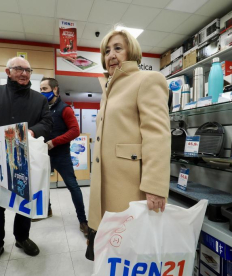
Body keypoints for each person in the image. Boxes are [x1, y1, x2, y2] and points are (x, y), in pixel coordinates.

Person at [0, 57, 52, 274]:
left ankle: (22, 238)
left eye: (28, 70)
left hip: (26, 161)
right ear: (8, 71)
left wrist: (32, 132)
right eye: (19, 69)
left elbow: (47, 123)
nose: (24, 73)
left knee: (24, 204)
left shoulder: (39, 99)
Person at [88, 29, 171, 247]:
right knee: (111, 250)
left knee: (131, 248)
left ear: (131, 52)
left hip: (130, 185)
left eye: (117, 48)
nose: (111, 55)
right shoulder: (108, 91)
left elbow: (157, 135)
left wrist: (155, 186)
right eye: (106, 51)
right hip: (104, 183)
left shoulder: (148, 79)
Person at [38, 77, 89, 237]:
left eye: (45, 89)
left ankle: (83, 221)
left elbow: (75, 130)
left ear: (54, 90)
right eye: (40, 89)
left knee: (73, 186)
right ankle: (47, 209)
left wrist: (54, 142)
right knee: (42, 184)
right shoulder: (42, 108)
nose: (42, 92)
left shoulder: (65, 109)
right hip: (43, 154)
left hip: (61, 155)